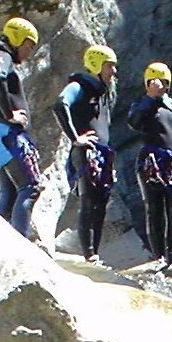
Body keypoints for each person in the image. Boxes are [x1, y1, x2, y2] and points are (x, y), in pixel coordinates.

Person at [52, 44, 118, 266]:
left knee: (101, 202)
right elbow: (60, 104)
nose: (113, 71)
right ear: (96, 65)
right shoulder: (79, 86)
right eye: (110, 66)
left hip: (103, 152)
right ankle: (88, 253)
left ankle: (94, 253)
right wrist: (75, 137)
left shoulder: (102, 93)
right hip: (86, 151)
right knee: (89, 200)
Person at [127, 61, 172, 268]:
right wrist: (149, 98)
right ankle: (158, 256)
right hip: (151, 162)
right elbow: (134, 122)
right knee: (154, 209)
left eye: (162, 82)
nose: (158, 86)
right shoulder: (141, 104)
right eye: (153, 82)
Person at [0, 17, 42, 238]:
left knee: (10, 190)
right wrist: (10, 114)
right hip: (8, 135)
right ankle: (20, 241)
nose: (29, 53)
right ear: (16, 39)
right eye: (28, 46)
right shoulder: (1, 56)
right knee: (30, 187)